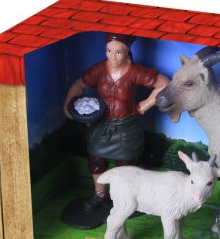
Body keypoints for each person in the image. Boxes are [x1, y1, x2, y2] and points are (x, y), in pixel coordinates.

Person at [63, 33, 169, 212]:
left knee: (126, 165)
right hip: (102, 125)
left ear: (127, 52)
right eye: (109, 51)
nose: (112, 57)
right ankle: (99, 194)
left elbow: (164, 84)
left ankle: (124, 199)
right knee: (95, 159)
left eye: (118, 52)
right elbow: (79, 85)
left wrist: (145, 105)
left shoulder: (135, 71)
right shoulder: (99, 70)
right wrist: (68, 105)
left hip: (126, 126)